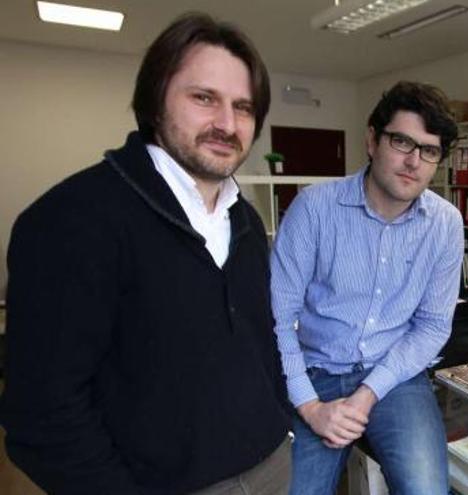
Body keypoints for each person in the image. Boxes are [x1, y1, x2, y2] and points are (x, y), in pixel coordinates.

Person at [0, 13, 292, 495]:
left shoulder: (244, 219)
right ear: (155, 100)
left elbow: (257, 339)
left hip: (272, 466)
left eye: (243, 107)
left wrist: (277, 419)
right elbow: (43, 416)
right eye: (203, 98)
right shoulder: (71, 219)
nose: (226, 123)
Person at [271, 81, 462, 495]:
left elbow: (432, 326)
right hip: (316, 373)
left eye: (429, 151)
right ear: (373, 140)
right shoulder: (313, 208)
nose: (414, 161)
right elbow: (276, 320)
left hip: (395, 376)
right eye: (402, 142)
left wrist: (366, 395)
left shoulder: (446, 224)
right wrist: (310, 407)